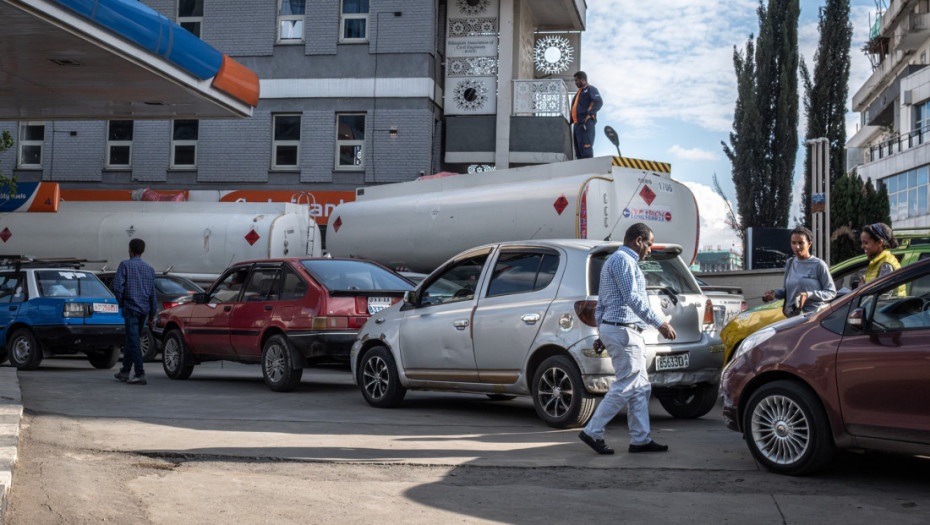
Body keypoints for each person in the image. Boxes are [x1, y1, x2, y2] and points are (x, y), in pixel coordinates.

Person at [578, 223, 677, 455]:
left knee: (641, 387)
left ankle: (640, 439)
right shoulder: (624, 260)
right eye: (649, 244)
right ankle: (593, 431)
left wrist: (602, 334)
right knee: (628, 382)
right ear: (638, 240)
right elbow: (632, 298)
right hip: (624, 331)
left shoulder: (615, 261)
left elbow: (602, 303)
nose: (650, 250)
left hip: (620, 329)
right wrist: (659, 323)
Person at [113, 238, 158, 385]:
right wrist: (152, 314)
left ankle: (140, 373)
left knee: (133, 341)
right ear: (142, 251)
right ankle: (125, 371)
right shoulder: (149, 269)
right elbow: (152, 294)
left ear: (130, 250)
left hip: (131, 308)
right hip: (143, 310)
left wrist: (122, 302)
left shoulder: (125, 265)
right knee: (131, 340)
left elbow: (118, 287)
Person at [763, 226, 836, 316]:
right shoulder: (790, 263)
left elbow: (831, 292)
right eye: (793, 243)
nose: (797, 247)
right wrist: (775, 293)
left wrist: (808, 295)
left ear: (809, 244)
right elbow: (787, 291)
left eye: (801, 243)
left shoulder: (819, 265)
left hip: (813, 317)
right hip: (793, 317)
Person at [571, 71, 603, 160]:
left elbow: (598, 101)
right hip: (577, 124)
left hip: (585, 122)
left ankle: (588, 171)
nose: (575, 82)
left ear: (582, 79)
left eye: (576, 80)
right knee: (578, 151)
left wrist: (590, 114)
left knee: (586, 149)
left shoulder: (590, 89)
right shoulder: (579, 93)